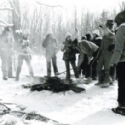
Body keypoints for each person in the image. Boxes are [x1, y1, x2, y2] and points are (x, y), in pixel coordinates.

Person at [110, 10, 125, 115]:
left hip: (123, 61)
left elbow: (119, 49)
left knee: (122, 83)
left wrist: (112, 63)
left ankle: (122, 106)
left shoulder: (121, 29)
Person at [97, 20, 115, 87]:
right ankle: (101, 80)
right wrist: (99, 53)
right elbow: (102, 44)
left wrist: (104, 28)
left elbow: (112, 36)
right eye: (109, 25)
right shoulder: (104, 35)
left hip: (108, 52)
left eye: (111, 25)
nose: (110, 26)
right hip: (102, 52)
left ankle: (107, 81)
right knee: (98, 67)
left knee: (107, 68)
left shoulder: (112, 33)